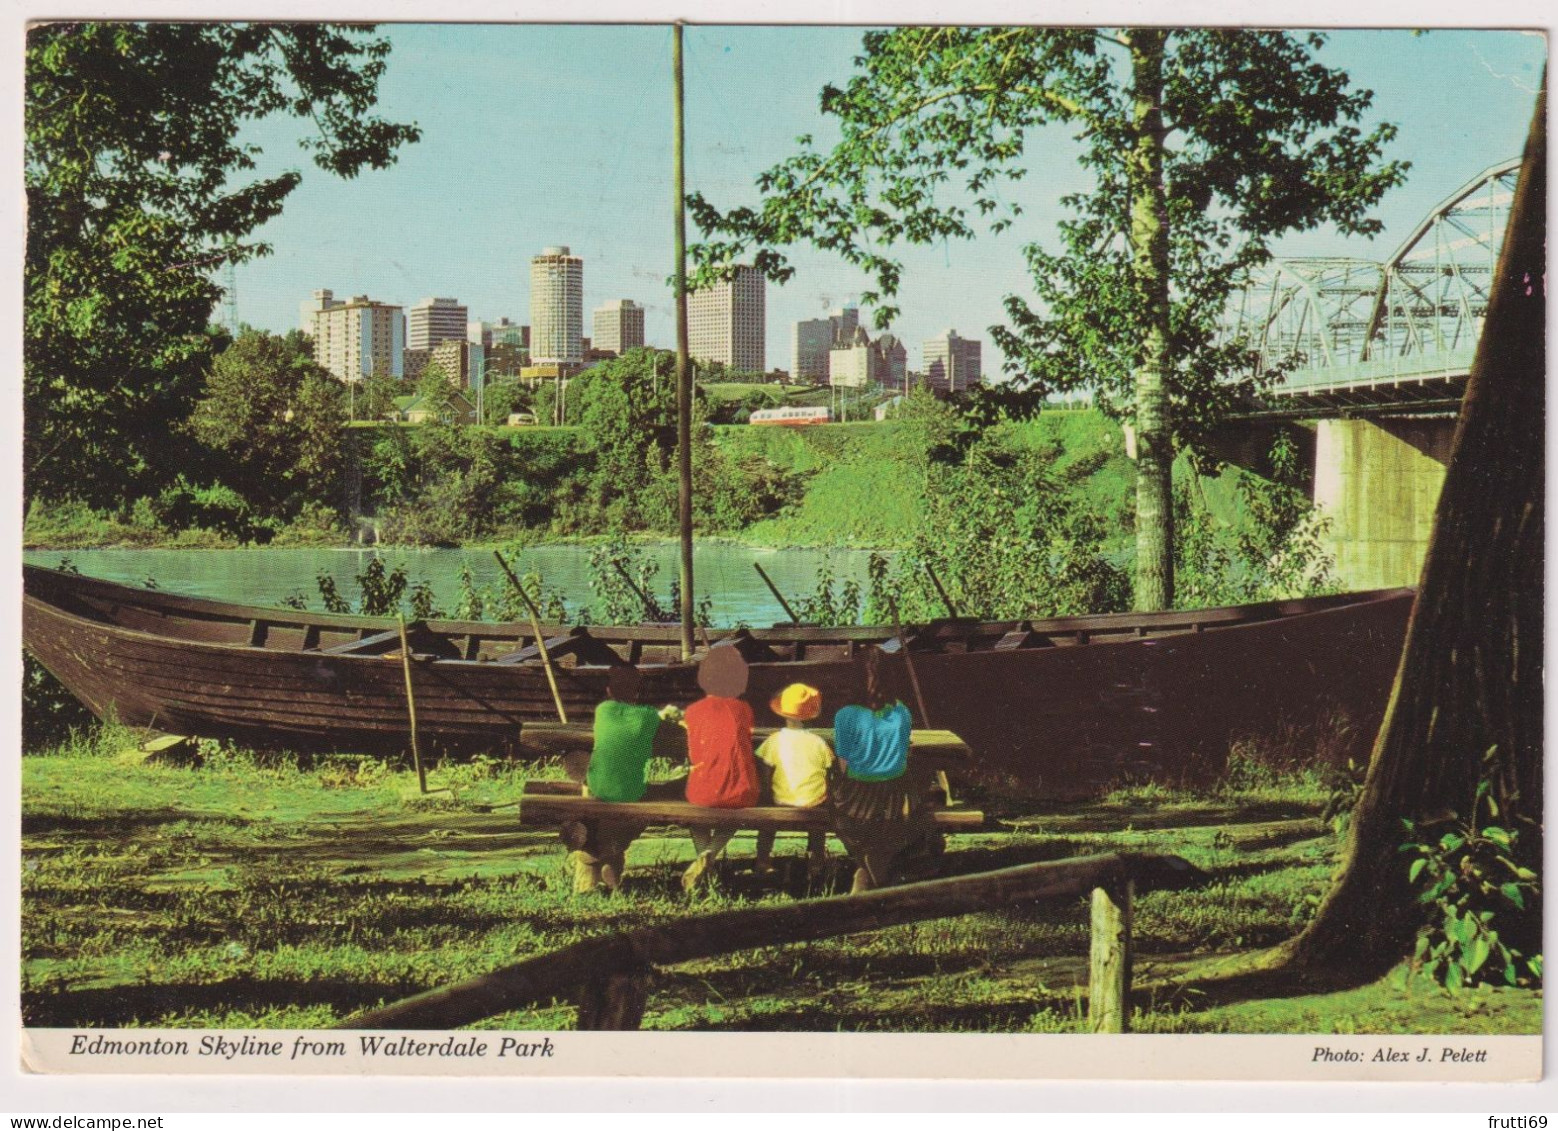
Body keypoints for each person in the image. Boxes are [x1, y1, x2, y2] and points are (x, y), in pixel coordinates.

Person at [828, 645, 935, 893]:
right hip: (897, 801)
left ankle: (866, 870)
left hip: (857, 802)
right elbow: (903, 754)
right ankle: (873, 870)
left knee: (835, 803)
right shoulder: (902, 711)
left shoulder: (845, 716)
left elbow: (844, 765)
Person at [571, 663, 664, 894]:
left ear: (609, 690)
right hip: (629, 790)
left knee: (591, 798)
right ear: (638, 691)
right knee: (638, 815)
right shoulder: (648, 716)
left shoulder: (602, 710)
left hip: (597, 786)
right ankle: (612, 853)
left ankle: (594, 862)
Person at [680, 644, 761, 891]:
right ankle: (711, 856)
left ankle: (703, 855)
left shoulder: (693, 711)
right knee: (734, 816)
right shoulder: (744, 710)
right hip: (742, 791)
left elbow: (694, 754)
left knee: (698, 817)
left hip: (704, 791)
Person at [754, 682, 834, 875]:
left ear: (782, 712)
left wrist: (767, 794)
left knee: (767, 823)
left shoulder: (774, 740)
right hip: (812, 801)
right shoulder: (818, 742)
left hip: (781, 800)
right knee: (817, 827)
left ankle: (763, 859)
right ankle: (816, 860)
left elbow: (765, 773)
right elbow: (829, 771)